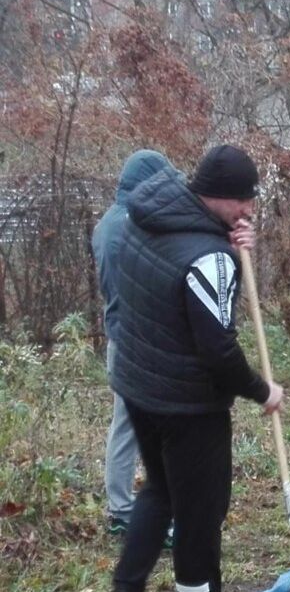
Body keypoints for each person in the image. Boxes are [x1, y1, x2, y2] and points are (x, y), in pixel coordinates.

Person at [94, 145, 283, 592]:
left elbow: (172, 285)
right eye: (243, 201)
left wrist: (229, 245)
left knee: (159, 490)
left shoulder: (145, 215)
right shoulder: (210, 258)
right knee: (199, 514)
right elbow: (218, 350)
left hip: (137, 385)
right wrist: (262, 390)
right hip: (187, 406)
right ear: (218, 196)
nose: (248, 210)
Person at [92, 150, 181, 535]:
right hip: (136, 342)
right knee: (132, 426)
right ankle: (123, 511)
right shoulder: (129, 227)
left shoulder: (110, 223)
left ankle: (135, 507)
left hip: (127, 338)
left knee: (135, 425)